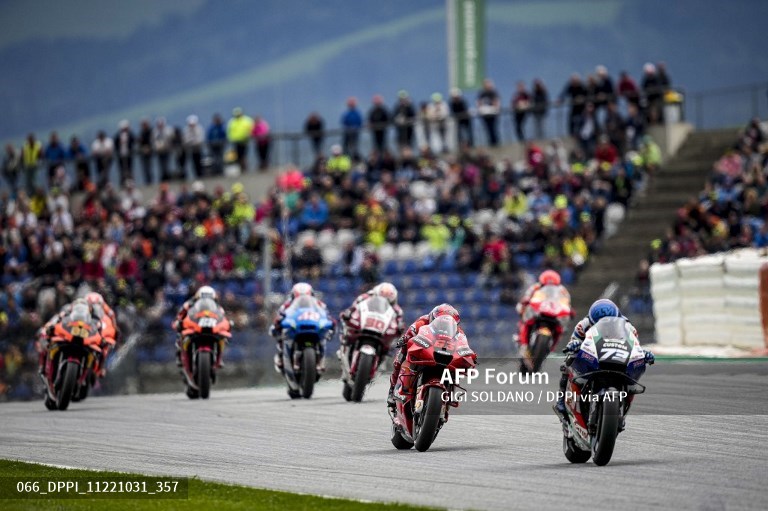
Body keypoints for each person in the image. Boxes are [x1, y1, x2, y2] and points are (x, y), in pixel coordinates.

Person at [553, 299, 655, 426]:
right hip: (593, 355)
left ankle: (622, 414)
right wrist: (574, 345)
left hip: (617, 356)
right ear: (591, 320)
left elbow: (635, 346)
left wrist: (644, 354)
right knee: (567, 363)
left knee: (631, 381)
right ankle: (561, 401)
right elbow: (572, 343)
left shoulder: (628, 327)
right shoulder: (583, 325)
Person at [387, 303, 464, 409]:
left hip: (443, 354)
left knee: (456, 369)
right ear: (433, 317)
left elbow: (463, 345)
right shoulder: (422, 321)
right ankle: (392, 390)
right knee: (400, 356)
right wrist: (404, 339)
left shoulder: (458, 332)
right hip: (424, 349)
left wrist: (466, 354)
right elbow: (410, 332)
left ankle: (449, 397)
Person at [269, 282, 333, 372]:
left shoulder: (319, 304)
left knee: (324, 337)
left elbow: (326, 314)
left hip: (313, 325)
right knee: (281, 335)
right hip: (295, 326)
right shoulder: (287, 304)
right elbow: (280, 315)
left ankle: (321, 359)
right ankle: (281, 355)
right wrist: (277, 323)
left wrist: (329, 321)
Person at [516, 270, 573, 357]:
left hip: (554, 313)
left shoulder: (563, 291)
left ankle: (552, 348)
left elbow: (566, 302)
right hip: (538, 311)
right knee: (526, 321)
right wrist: (524, 302)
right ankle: (523, 343)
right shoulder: (535, 287)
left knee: (560, 329)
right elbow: (527, 296)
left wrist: (570, 310)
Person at [172, 285, 227, 368]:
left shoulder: (218, 307)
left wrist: (225, 325)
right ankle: (179, 355)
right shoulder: (188, 304)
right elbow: (180, 315)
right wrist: (178, 322)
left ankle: (219, 358)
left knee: (223, 338)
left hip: (211, 327)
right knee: (180, 336)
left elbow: (223, 317)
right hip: (194, 326)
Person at [339, 282, 405, 345]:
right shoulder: (363, 298)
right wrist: (349, 313)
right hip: (364, 322)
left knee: (393, 344)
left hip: (382, 330)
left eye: (387, 300)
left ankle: (384, 354)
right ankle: (346, 343)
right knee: (348, 329)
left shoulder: (397, 310)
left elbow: (399, 322)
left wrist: (400, 327)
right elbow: (353, 308)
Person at [85, 292, 118, 377]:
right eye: (91, 305)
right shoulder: (82, 310)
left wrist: (114, 328)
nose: (94, 307)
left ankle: (101, 367)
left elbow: (112, 316)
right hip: (85, 334)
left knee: (105, 348)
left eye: (97, 305)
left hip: (99, 335)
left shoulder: (105, 311)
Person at [477, 78, 501, 146]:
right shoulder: (481, 93)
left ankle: (496, 142)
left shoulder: (493, 92)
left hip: (493, 113)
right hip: (485, 114)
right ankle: (491, 142)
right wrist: (481, 109)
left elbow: (496, 102)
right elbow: (479, 103)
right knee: (488, 129)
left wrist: (495, 108)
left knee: (494, 128)